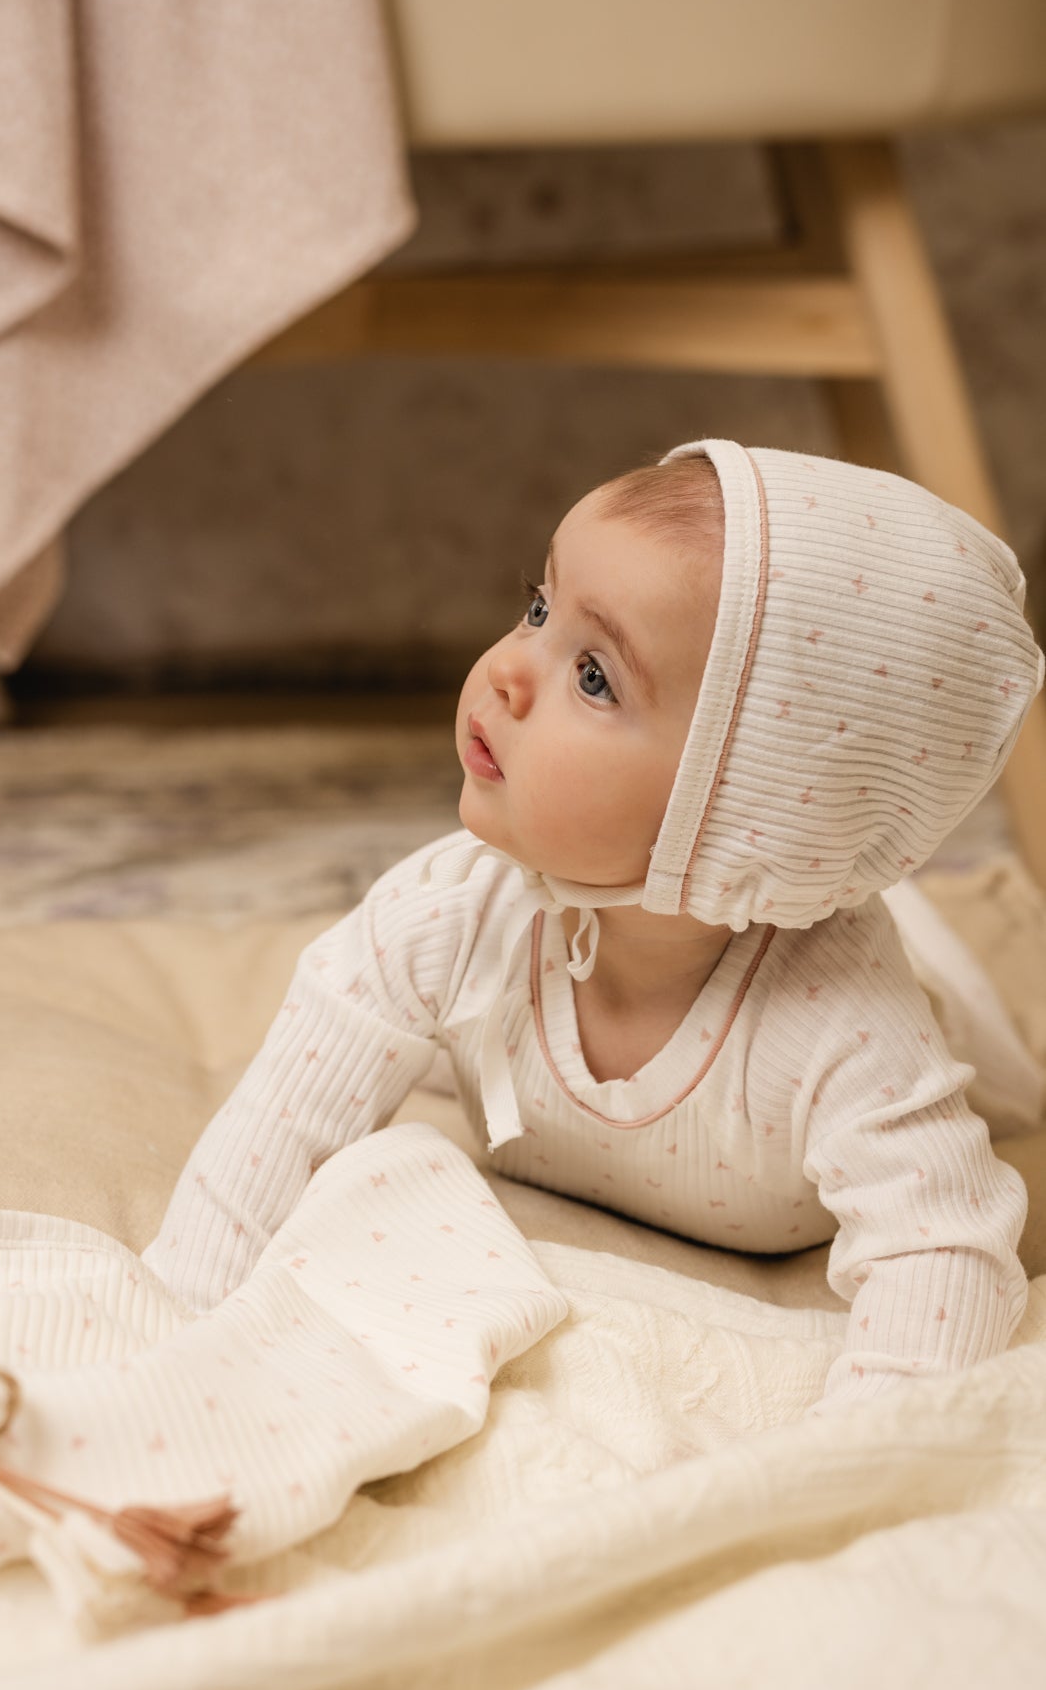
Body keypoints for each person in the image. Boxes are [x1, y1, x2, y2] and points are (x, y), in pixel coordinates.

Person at [143, 439, 1046, 1417]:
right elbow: (272, 1137)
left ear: (740, 815)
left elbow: (941, 1255)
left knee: (980, 1054)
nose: (504, 671)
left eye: (593, 676)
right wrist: (160, 1342)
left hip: (885, 998)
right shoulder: (451, 911)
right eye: (538, 608)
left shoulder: (842, 1024)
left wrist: (849, 1460)